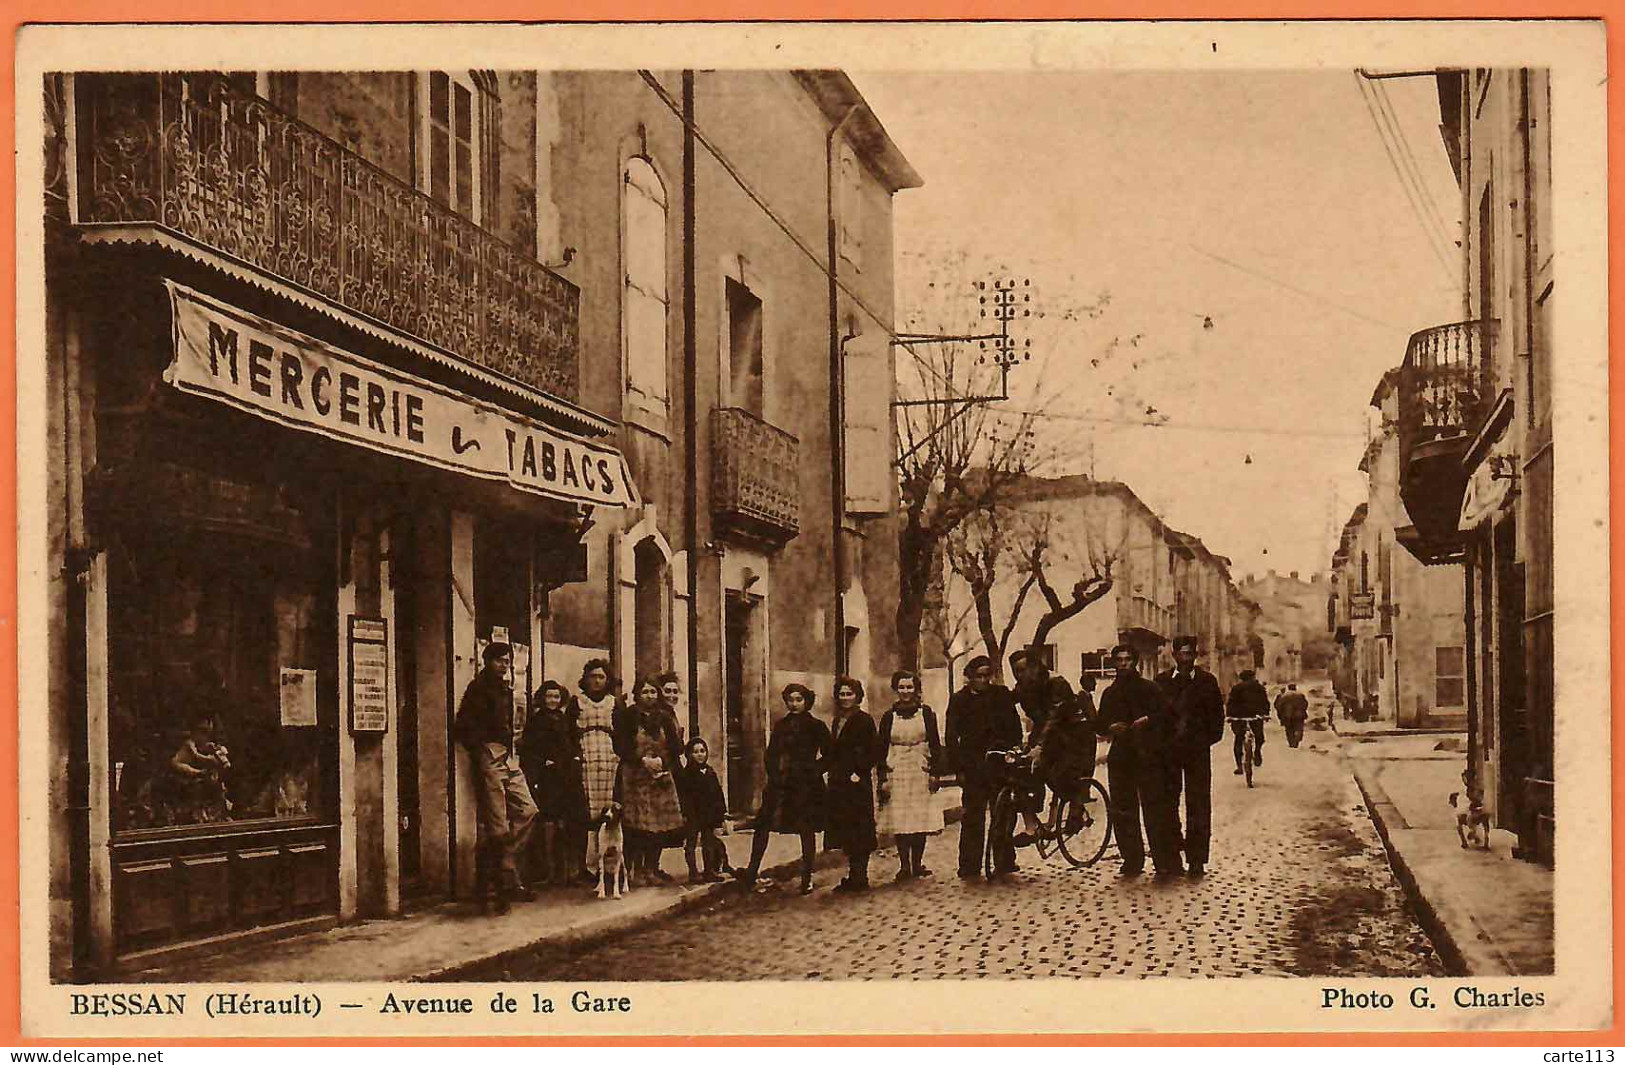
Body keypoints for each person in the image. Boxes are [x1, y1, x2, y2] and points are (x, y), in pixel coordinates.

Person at [455, 642, 538, 912]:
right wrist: (483, 751)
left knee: (528, 810)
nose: (504, 666)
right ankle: (502, 882)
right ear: (486, 661)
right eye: (499, 661)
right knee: (498, 824)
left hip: (509, 755)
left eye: (507, 661)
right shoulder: (477, 689)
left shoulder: (506, 690)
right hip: (490, 756)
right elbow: (463, 727)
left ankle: (502, 864)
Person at [734, 684, 830, 895]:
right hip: (781, 784)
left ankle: (807, 877)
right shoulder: (781, 725)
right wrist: (775, 774)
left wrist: (813, 770)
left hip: (806, 786)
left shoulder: (817, 726)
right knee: (762, 825)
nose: (794, 704)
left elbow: (830, 755)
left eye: (799, 700)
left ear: (807, 701)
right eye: (790, 700)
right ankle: (751, 871)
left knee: (806, 830)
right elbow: (770, 754)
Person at [1094, 644, 1178, 878]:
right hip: (1122, 756)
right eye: (1119, 660)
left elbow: (1168, 716)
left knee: (1155, 809)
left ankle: (1162, 861)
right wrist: (1110, 727)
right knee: (1123, 809)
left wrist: (1149, 719)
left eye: (1128, 660)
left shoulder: (1151, 689)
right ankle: (1132, 860)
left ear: (1135, 662)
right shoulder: (1110, 693)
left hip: (1149, 754)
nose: (1123, 664)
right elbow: (1100, 723)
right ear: (1114, 664)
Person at [944, 656, 1023, 878]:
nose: (982, 680)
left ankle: (1005, 860)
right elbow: (951, 735)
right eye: (978, 676)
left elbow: (1014, 725)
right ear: (969, 677)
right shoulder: (959, 700)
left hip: (999, 763)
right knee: (973, 815)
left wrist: (1013, 748)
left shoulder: (1000, 695)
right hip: (973, 766)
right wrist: (958, 767)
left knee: (1004, 812)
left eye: (986, 676)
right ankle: (969, 864)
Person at [1154, 636, 1226, 878]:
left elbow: (1217, 719)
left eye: (1189, 654)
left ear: (1195, 656)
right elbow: (1156, 717)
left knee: (1198, 804)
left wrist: (1204, 741)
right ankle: (1172, 857)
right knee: (1167, 805)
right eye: (1181, 654)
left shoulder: (1207, 682)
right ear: (1173, 655)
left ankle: (1197, 859)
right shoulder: (1161, 682)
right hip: (1169, 753)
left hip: (1197, 752)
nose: (1185, 659)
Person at [617, 674, 687, 885]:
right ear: (637, 694)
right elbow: (620, 746)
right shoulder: (628, 716)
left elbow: (675, 746)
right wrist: (641, 759)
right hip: (634, 777)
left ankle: (651, 868)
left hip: (659, 777)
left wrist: (661, 761)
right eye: (644, 692)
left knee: (659, 825)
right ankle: (633, 871)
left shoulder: (664, 717)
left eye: (653, 692)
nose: (649, 696)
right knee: (636, 824)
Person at [876, 670, 945, 881]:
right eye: (902, 687)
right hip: (897, 769)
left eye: (909, 687)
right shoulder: (889, 717)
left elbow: (935, 744)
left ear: (916, 689)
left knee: (919, 818)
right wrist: (882, 778)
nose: (906, 691)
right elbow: (880, 748)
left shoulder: (926, 714)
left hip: (919, 767)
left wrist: (935, 774)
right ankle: (904, 865)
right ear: (896, 690)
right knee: (900, 818)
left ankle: (917, 863)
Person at [519, 679, 587, 887]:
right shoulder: (536, 721)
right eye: (549, 696)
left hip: (567, 776)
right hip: (548, 778)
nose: (552, 700)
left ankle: (569, 872)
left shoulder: (564, 719)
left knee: (570, 822)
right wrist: (542, 763)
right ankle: (550, 872)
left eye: (556, 697)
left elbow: (574, 742)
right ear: (542, 698)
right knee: (550, 822)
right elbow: (529, 749)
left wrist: (576, 757)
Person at [572, 658, 628, 885]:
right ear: (585, 679)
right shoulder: (577, 702)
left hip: (607, 758)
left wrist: (619, 754)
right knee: (587, 811)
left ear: (608, 680)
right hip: (585, 756)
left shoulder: (614, 703)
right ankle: (588, 867)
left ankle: (610, 867)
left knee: (607, 811)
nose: (597, 681)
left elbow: (622, 733)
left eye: (601, 677)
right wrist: (574, 755)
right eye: (593, 676)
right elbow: (568, 731)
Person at [823, 676, 880, 893]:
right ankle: (853, 873)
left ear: (858, 696)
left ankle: (860, 875)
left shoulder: (864, 720)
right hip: (839, 781)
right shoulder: (837, 720)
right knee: (845, 827)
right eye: (841, 694)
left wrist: (860, 770)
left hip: (856, 782)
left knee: (860, 828)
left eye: (849, 694)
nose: (845, 698)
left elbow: (873, 750)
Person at [675, 737, 730, 883]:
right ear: (689, 755)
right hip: (693, 815)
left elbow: (718, 794)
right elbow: (684, 797)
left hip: (708, 815)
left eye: (702, 751)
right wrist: (686, 814)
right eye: (695, 752)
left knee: (709, 843)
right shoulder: (686, 775)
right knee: (691, 844)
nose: (700, 755)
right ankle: (693, 873)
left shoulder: (710, 772)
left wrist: (720, 815)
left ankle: (708, 871)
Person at [1227, 669, 1271, 774]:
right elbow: (1265, 702)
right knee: (1259, 737)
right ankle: (1257, 752)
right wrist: (1265, 714)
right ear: (1253, 677)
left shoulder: (1236, 688)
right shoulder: (1259, 688)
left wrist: (1230, 716)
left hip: (1239, 718)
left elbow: (1231, 703)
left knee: (1238, 740)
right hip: (1256, 717)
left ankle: (1239, 766)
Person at [1276, 683, 1310, 748]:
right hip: (1299, 715)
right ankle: (1297, 738)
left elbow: (1279, 706)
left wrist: (1280, 715)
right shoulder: (1300, 695)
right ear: (1295, 688)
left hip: (1287, 715)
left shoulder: (1284, 696)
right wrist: (1303, 711)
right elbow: (1305, 704)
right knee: (1299, 727)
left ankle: (1291, 742)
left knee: (1289, 729)